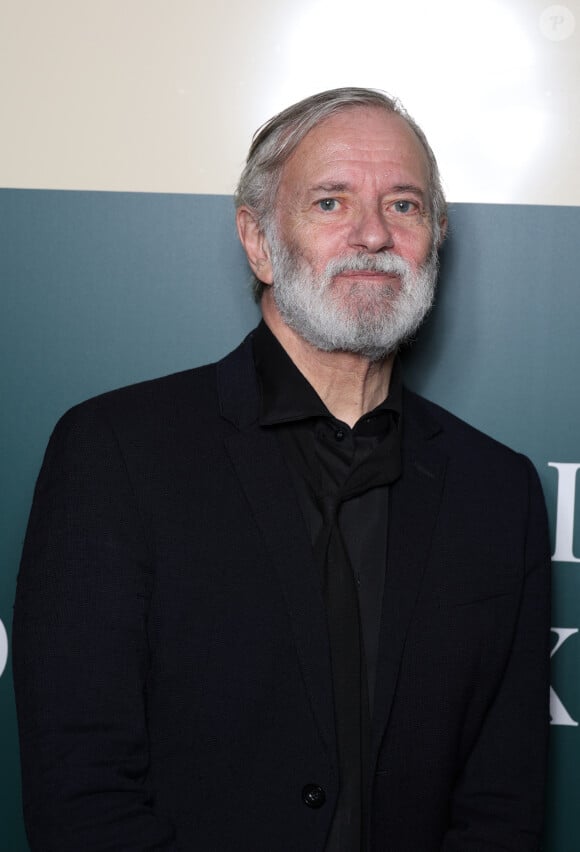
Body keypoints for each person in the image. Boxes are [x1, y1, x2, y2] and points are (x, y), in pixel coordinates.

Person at [13, 87, 550, 852]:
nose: (373, 234)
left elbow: (502, 803)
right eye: (331, 203)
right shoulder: (116, 453)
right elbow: (84, 792)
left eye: (403, 206)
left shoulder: (498, 491)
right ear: (259, 241)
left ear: (434, 238)